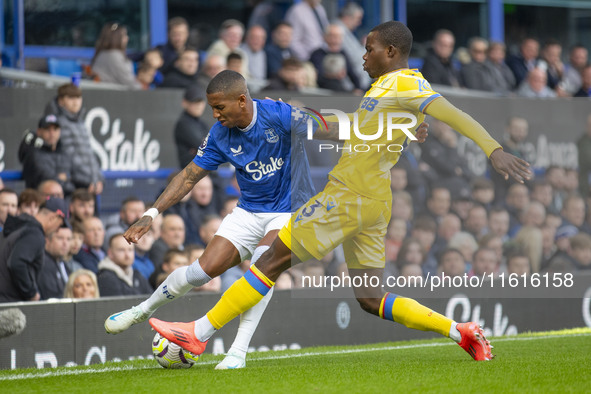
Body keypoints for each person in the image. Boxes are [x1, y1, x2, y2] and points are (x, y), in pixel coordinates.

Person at [149, 21, 532, 363]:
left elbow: (453, 113)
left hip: (348, 196)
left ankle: (197, 334)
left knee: (269, 261)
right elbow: (356, 128)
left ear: (392, 52)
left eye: (369, 48)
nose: (362, 55)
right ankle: (459, 331)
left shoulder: (406, 82)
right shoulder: (386, 89)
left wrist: (493, 150)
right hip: (375, 202)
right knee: (370, 299)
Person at [105, 69, 386, 370]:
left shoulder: (279, 115)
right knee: (201, 272)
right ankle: (141, 311)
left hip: (291, 211)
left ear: (241, 100)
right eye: (211, 107)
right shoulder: (219, 134)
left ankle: (237, 352)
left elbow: (331, 128)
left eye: (219, 107)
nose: (214, 114)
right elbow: (188, 176)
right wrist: (152, 213)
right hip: (249, 211)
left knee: (263, 264)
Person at [0, 197, 68, 302]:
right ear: (52, 217)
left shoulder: (16, 228)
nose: (58, 230)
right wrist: (31, 293)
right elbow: (17, 263)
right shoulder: (34, 233)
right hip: (11, 305)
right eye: (60, 225)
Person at [46, 83, 104, 194]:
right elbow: (68, 157)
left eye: (78, 97)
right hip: (72, 187)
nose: (75, 102)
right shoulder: (57, 123)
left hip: (91, 185)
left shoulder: (80, 123)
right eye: (71, 98)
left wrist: (99, 180)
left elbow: (88, 155)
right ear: (61, 101)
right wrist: (88, 182)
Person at [18, 114, 75, 195]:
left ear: (60, 131)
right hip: (40, 202)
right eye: (47, 129)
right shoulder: (33, 154)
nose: (52, 133)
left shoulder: (64, 153)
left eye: (55, 129)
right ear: (39, 131)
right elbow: (49, 179)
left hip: (65, 201)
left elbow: (75, 174)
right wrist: (68, 183)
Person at [91, 22, 141, 89]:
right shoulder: (114, 56)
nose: (127, 38)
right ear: (116, 38)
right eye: (124, 35)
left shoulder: (102, 53)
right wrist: (141, 87)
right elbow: (128, 81)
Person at [174, 84, 209, 168]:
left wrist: (199, 150)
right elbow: (204, 146)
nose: (198, 105)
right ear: (185, 103)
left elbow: (211, 147)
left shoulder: (202, 124)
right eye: (194, 102)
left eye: (200, 102)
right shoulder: (183, 123)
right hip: (190, 172)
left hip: (207, 169)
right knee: (204, 182)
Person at [38, 226, 72, 300]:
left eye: (68, 239)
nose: (65, 243)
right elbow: (52, 296)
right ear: (47, 240)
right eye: (60, 238)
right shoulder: (44, 263)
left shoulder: (62, 263)